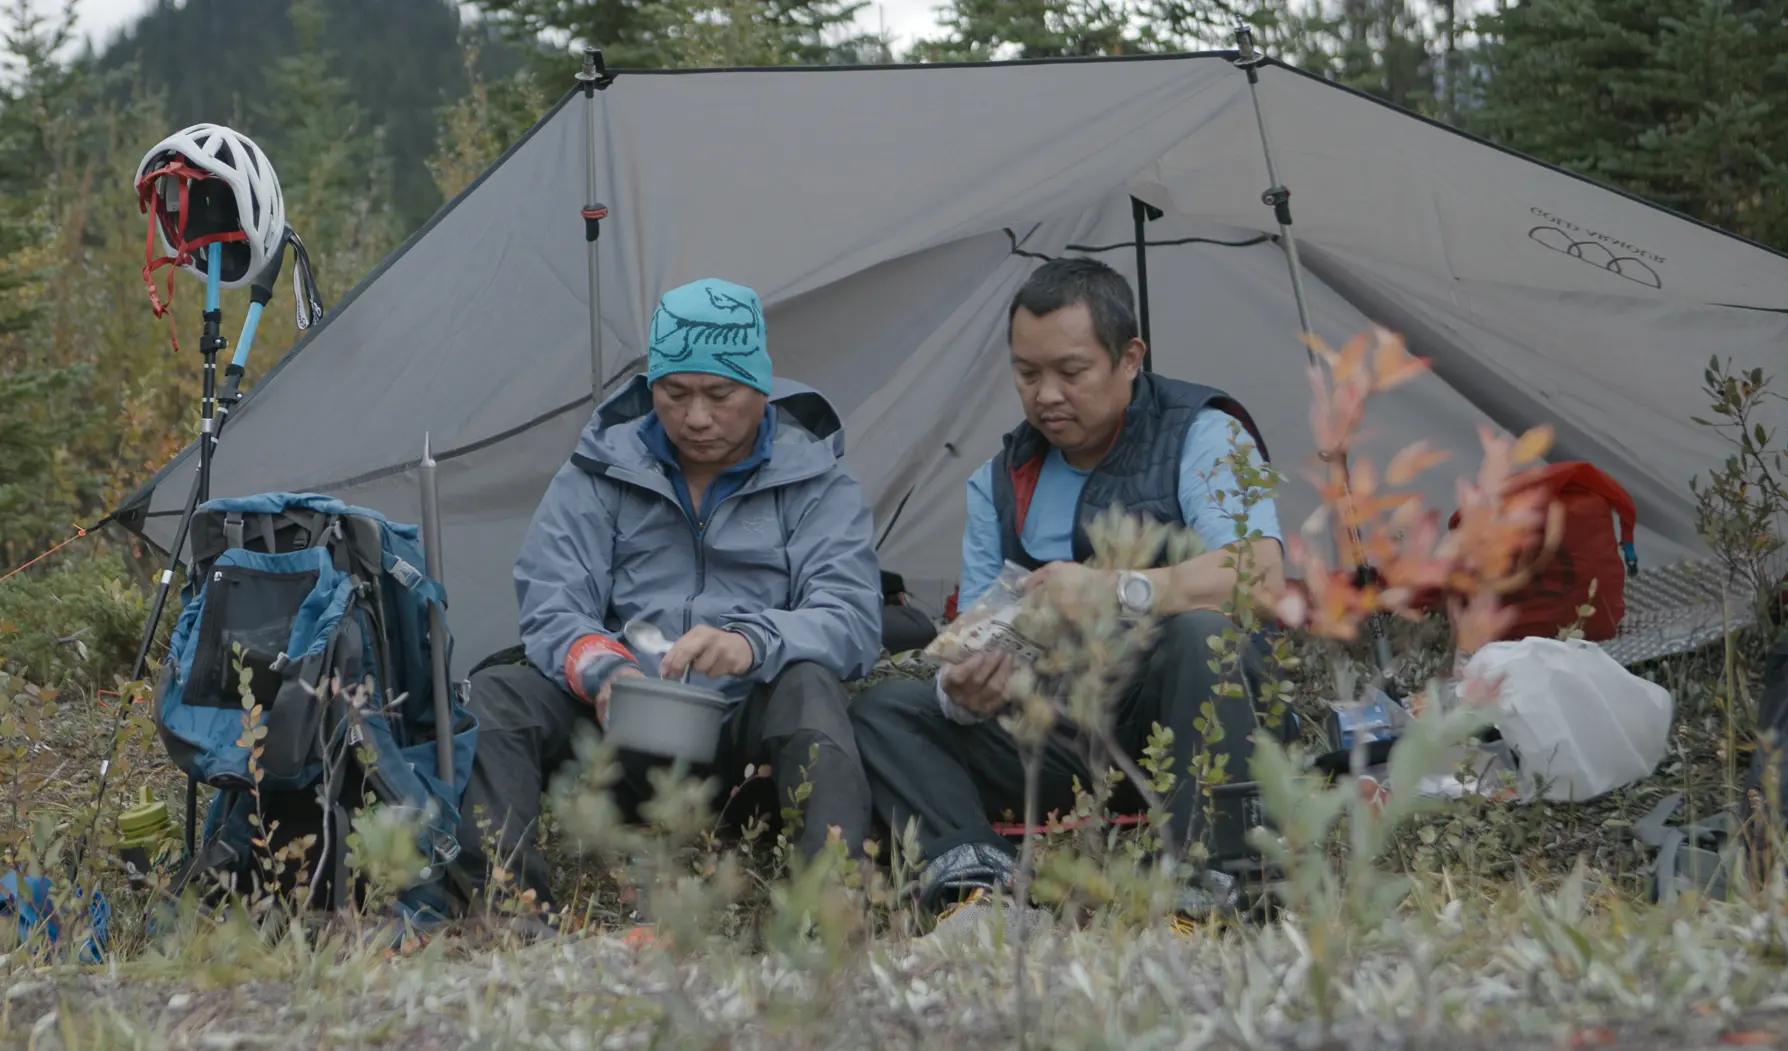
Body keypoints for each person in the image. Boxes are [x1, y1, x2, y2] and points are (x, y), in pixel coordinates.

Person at [849, 256, 1285, 915]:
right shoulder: (999, 483)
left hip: (1182, 723)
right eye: (1027, 373)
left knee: (1205, 633)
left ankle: (1220, 881)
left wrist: (1118, 588)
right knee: (889, 708)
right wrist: (963, 688)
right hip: (1059, 737)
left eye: (1071, 372)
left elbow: (1260, 577)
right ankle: (976, 887)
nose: (1046, 395)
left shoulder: (1202, 433)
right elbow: (970, 635)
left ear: (1130, 357)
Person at [457, 277, 884, 934]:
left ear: (761, 387)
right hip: (620, 726)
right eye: (674, 393)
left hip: (748, 745)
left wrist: (751, 641)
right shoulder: (599, 472)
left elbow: (853, 615)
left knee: (810, 688)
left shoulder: (817, 481)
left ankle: (824, 908)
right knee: (498, 696)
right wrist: (600, 666)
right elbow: (550, 600)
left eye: (721, 393)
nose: (697, 417)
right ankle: (511, 909)